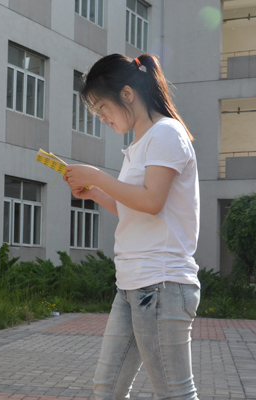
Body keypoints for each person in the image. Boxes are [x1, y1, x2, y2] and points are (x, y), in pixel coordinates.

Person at [63, 53, 201, 400]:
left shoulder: (166, 133)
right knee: (107, 389)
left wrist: (99, 177)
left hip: (160, 284)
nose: (101, 117)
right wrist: (95, 192)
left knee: (174, 394)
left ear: (127, 94)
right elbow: (135, 208)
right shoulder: (141, 143)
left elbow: (152, 201)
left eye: (102, 107)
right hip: (132, 285)